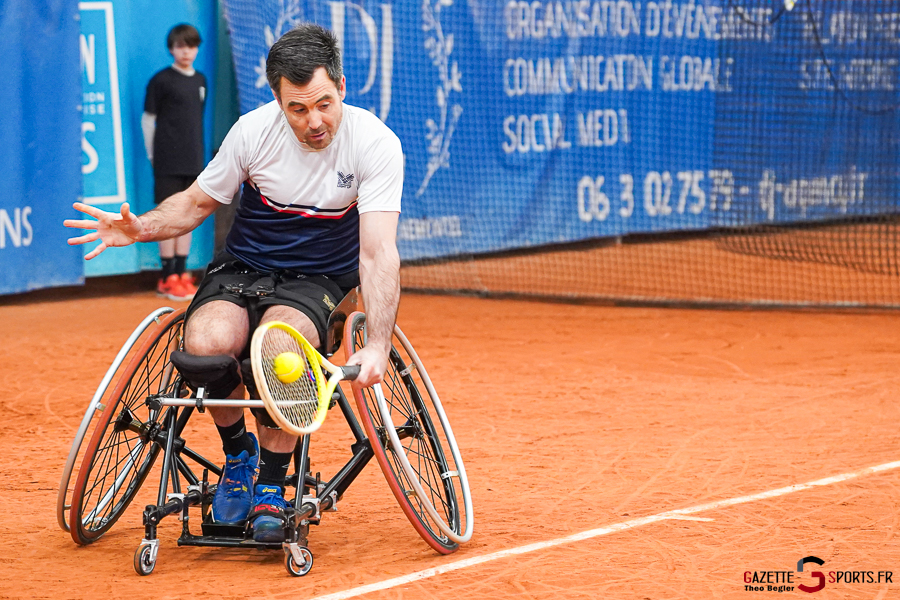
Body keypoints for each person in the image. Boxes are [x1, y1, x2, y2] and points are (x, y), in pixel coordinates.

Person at [64, 24, 402, 543]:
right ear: (277, 100)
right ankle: (239, 454)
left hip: (316, 279)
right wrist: (143, 228)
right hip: (244, 266)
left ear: (340, 85)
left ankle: (272, 481)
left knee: (279, 349)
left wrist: (377, 344)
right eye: (297, 108)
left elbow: (378, 252)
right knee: (205, 345)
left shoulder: (375, 144)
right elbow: (197, 202)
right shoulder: (251, 131)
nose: (314, 121)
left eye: (324, 104)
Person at [142, 23, 207, 301]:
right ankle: (166, 276)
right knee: (167, 214)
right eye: (181, 46)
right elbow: (148, 120)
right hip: (167, 160)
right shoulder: (160, 80)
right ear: (171, 49)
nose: (186, 51)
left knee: (188, 214)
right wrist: (152, 155)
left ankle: (182, 273)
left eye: (191, 46)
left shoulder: (201, 80)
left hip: (194, 159)